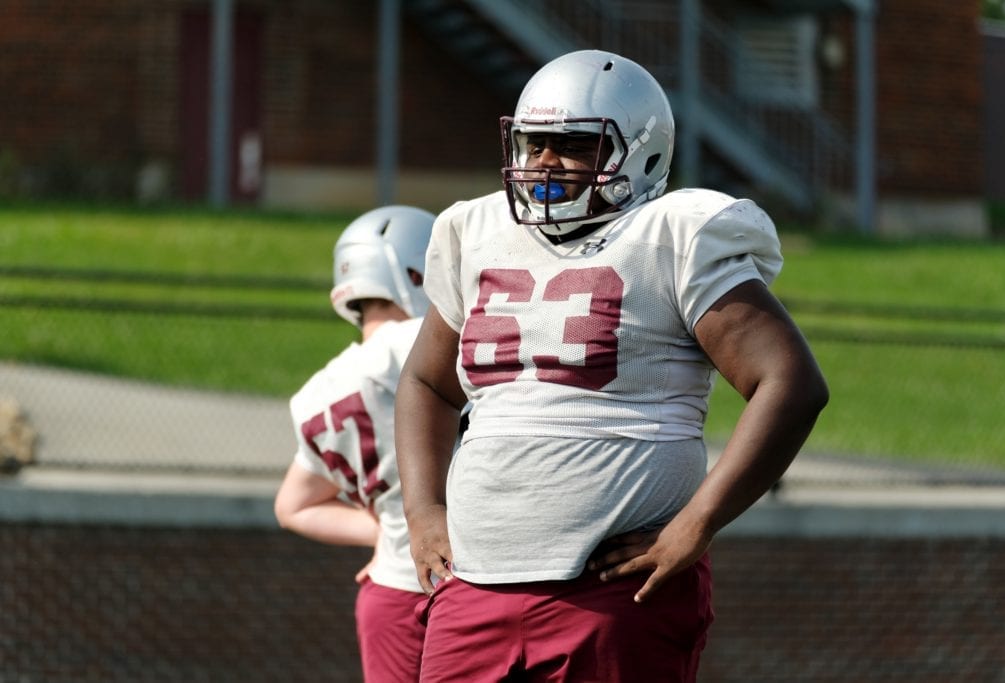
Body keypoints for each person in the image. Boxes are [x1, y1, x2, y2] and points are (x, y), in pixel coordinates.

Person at [395, 50, 829, 682]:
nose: (544, 164)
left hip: (609, 594)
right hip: (474, 586)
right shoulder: (475, 229)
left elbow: (789, 382)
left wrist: (696, 525)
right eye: (532, 143)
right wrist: (422, 510)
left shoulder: (672, 233)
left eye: (570, 145)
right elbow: (427, 382)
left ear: (640, 154)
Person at [274, 205, 435, 683]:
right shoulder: (413, 343)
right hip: (463, 582)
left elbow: (292, 507)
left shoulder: (315, 395)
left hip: (391, 590)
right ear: (416, 272)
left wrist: (386, 534)